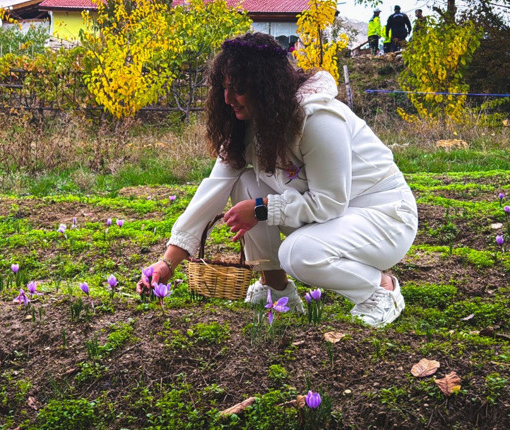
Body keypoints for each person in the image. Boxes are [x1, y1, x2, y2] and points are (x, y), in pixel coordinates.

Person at [136, 32, 418, 327]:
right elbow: (213, 191)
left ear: (265, 86)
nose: (227, 99)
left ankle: (380, 289)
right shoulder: (248, 125)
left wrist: (262, 209)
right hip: (337, 218)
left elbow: (330, 203)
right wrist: (168, 261)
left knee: (298, 253)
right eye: (224, 87)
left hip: (383, 218)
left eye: (239, 89)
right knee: (244, 183)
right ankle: (275, 286)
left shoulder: (318, 119)